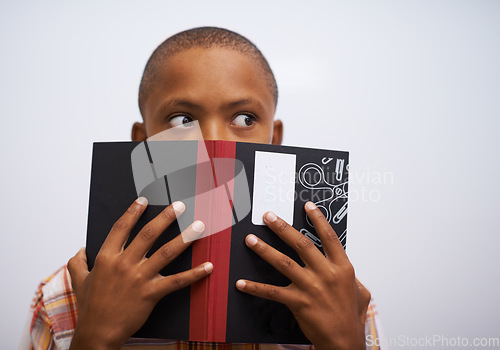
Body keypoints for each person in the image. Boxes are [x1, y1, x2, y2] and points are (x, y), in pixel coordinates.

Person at [27, 27, 381, 350]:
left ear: (276, 141)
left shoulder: (339, 297)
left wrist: (345, 342)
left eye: (244, 118)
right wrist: (92, 338)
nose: (213, 143)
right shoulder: (68, 297)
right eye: (183, 120)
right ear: (142, 142)